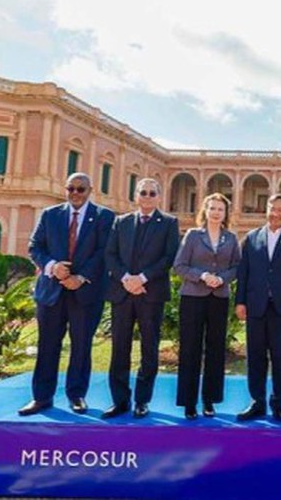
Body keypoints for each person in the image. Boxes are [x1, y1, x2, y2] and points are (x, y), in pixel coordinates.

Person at [18, 173, 114, 416]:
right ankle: (41, 398)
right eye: (71, 188)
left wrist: (79, 278)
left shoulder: (104, 216)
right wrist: (53, 267)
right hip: (51, 292)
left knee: (81, 346)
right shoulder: (51, 215)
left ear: (90, 190)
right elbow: (35, 246)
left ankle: (77, 395)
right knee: (47, 345)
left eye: (80, 189)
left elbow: (104, 252)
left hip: (86, 293)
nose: (75, 193)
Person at [102, 178, 180, 419]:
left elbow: (169, 257)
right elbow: (110, 254)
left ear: (159, 196)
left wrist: (142, 279)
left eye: (152, 193)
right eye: (143, 192)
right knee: (119, 348)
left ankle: (142, 400)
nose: (147, 196)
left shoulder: (168, 223)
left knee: (149, 348)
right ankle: (120, 401)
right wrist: (126, 278)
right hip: (122, 293)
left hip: (150, 294)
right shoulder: (121, 222)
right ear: (136, 195)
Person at [235, 194, 281, 422]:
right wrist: (240, 302)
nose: (276, 213)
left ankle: (279, 404)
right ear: (265, 209)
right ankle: (256, 402)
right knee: (255, 357)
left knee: (280, 356)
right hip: (256, 304)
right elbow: (243, 272)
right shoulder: (251, 237)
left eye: (280, 209)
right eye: (272, 208)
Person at [173, 193, 241, 420]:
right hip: (192, 296)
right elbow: (179, 265)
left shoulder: (231, 238)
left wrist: (222, 278)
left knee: (215, 350)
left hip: (218, 297)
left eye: (220, 209)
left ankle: (209, 400)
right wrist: (202, 275)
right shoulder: (193, 235)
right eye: (212, 208)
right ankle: (189, 402)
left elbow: (237, 267)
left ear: (225, 213)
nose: (215, 212)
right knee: (190, 348)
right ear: (205, 210)